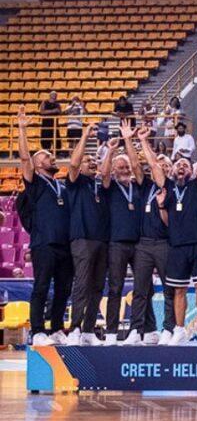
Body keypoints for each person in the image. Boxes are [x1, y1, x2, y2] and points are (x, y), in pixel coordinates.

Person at [146, 130, 197, 345]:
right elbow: (154, 165)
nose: (182, 166)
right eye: (178, 164)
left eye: (186, 164)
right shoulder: (167, 187)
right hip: (176, 245)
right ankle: (179, 329)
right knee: (179, 289)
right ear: (172, 170)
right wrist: (142, 140)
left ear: (191, 170)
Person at [16, 106, 73, 346]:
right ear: (38, 164)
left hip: (65, 244)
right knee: (41, 287)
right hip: (44, 244)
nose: (53, 157)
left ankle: (57, 328)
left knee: (64, 289)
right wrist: (22, 129)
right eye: (47, 156)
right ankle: (38, 331)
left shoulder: (63, 186)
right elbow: (24, 159)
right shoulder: (36, 183)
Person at [98, 121, 147, 345]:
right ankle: (111, 332)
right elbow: (104, 173)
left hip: (138, 243)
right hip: (116, 243)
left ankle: (137, 330)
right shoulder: (109, 188)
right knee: (115, 288)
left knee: (141, 288)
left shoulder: (137, 186)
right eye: (121, 168)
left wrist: (129, 141)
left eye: (126, 167)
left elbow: (137, 168)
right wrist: (110, 151)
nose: (125, 170)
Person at [123, 129, 173, 345]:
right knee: (140, 290)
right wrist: (129, 140)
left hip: (164, 243)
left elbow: (170, 222)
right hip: (143, 244)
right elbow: (135, 165)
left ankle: (169, 329)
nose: (161, 168)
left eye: (166, 166)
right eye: (158, 165)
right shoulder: (145, 186)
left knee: (169, 289)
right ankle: (136, 329)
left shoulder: (173, 189)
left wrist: (162, 206)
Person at [63, 125, 111, 346]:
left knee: (97, 286)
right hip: (82, 239)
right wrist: (84, 137)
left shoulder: (99, 185)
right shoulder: (75, 183)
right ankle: (75, 328)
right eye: (87, 160)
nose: (92, 162)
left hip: (102, 240)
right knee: (82, 284)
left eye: (94, 160)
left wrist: (110, 152)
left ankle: (89, 330)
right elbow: (73, 164)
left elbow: (107, 173)